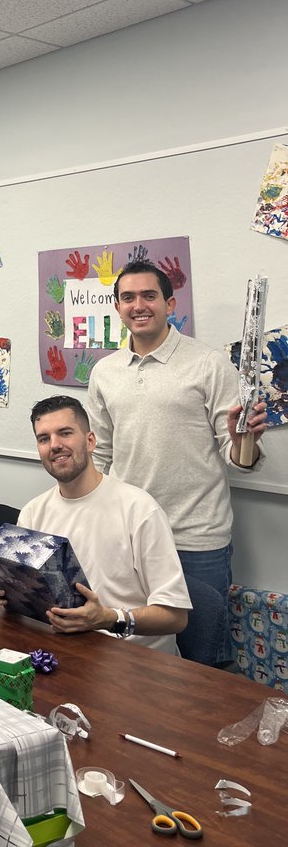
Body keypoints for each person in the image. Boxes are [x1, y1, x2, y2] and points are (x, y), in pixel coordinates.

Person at [85, 261, 266, 625]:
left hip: (196, 540)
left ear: (169, 304)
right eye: (128, 298)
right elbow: (100, 454)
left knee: (201, 651)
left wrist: (242, 442)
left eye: (149, 296)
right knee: (134, 644)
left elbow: (238, 457)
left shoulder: (209, 364)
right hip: (128, 534)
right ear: (118, 307)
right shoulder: (104, 371)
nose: (139, 305)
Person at [0, 396, 190, 652]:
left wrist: (109, 618)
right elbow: (40, 601)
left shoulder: (139, 509)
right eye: (44, 438)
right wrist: (16, 594)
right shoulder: (32, 513)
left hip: (133, 658)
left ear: (90, 441)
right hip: (66, 649)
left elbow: (175, 617)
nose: (55, 445)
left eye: (65, 433)